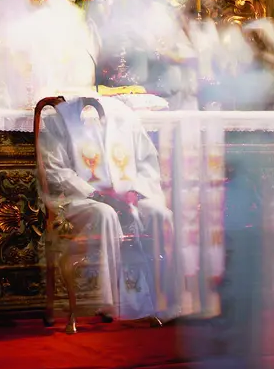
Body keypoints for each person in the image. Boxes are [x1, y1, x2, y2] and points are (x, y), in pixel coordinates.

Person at [37, 97, 179, 323]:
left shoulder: (125, 121)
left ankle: (169, 298)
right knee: (106, 214)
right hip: (82, 199)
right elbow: (56, 171)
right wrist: (96, 193)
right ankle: (110, 301)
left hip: (128, 195)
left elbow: (147, 163)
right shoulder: (59, 123)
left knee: (162, 215)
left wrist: (134, 192)